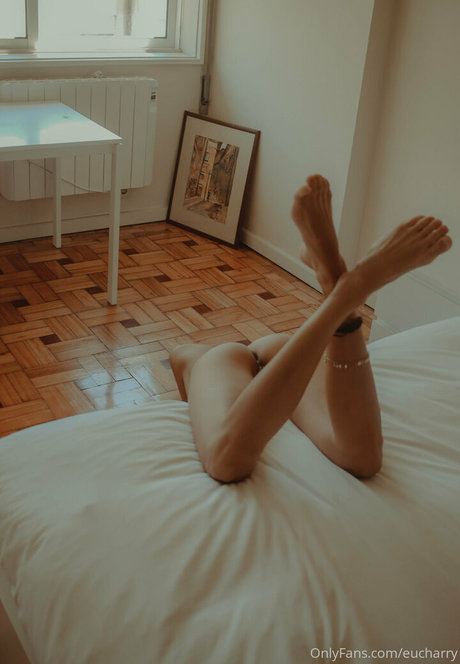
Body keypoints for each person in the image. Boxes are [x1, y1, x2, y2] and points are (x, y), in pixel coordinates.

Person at [170, 175, 452, 483]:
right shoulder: (202, 358)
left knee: (358, 461)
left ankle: (343, 288)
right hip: (277, 351)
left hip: (247, 357)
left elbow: (180, 360)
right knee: (361, 459)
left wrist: (191, 375)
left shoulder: (197, 358)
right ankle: (344, 289)